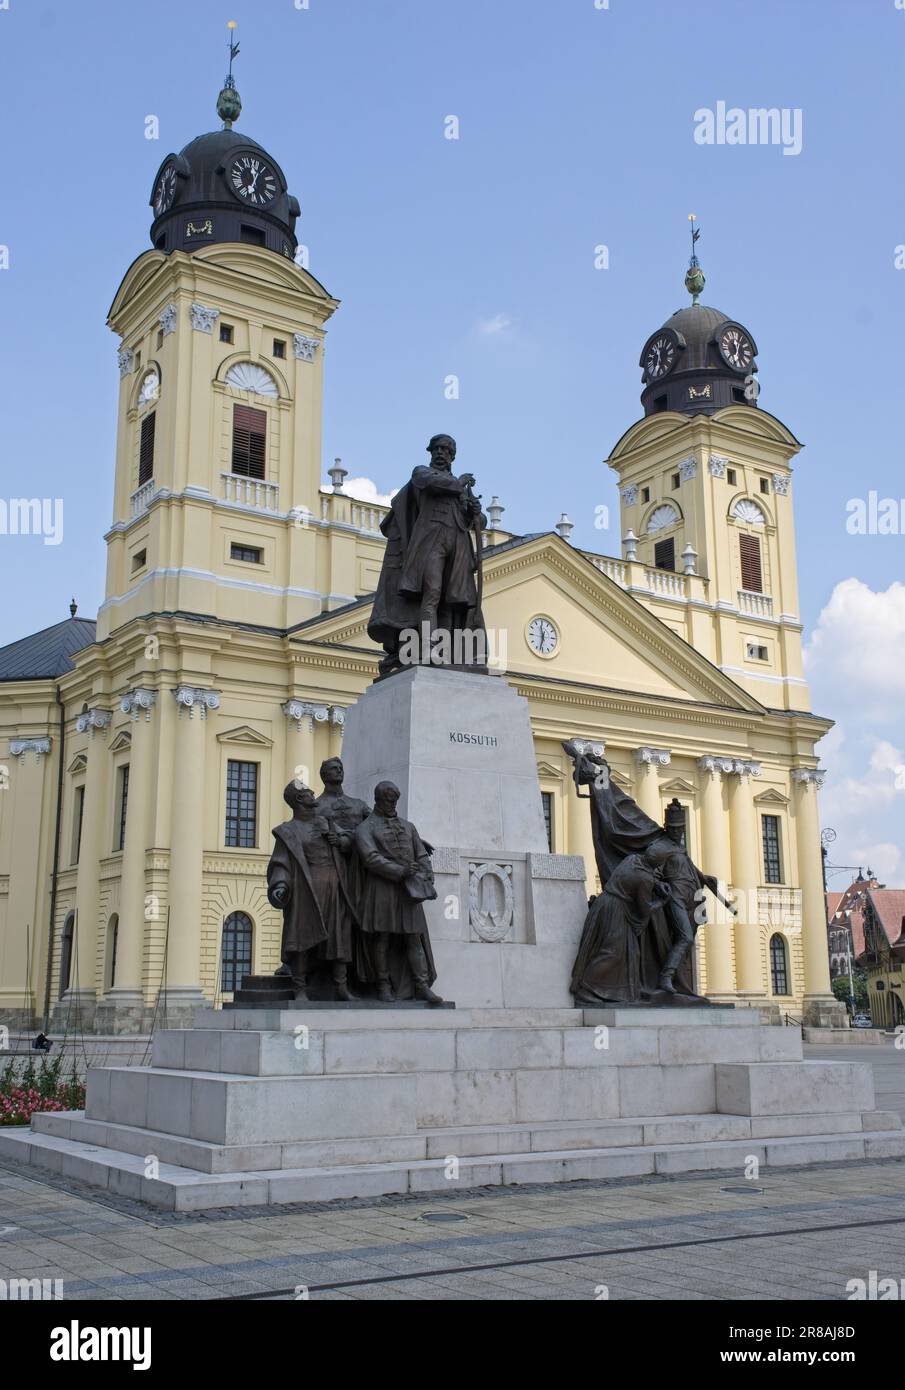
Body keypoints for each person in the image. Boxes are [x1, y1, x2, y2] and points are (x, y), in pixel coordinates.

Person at [367, 434, 486, 674]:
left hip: (459, 544)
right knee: (431, 594)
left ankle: (447, 651)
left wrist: (475, 511)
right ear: (431, 452)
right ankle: (428, 648)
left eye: (446, 450)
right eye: (437, 449)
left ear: (452, 456)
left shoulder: (458, 488)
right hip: (431, 541)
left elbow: (477, 522)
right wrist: (460, 483)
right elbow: (432, 483)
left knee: (452, 601)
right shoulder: (423, 474)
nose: (441, 453)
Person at [266, 781, 359, 1001]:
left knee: (339, 938)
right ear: (299, 799)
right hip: (306, 890)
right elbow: (280, 863)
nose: (313, 794)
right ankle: (299, 988)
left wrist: (342, 841)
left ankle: (341, 987)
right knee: (301, 938)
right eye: (308, 793)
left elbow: (350, 839)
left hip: (335, 887)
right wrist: (280, 885)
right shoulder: (287, 831)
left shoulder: (326, 823)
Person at [354, 781, 443, 1004]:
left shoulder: (408, 826)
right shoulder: (365, 828)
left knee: (414, 938)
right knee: (381, 939)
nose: (392, 805)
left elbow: (421, 854)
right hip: (381, 889)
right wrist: (400, 870)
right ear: (378, 800)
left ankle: (421, 985)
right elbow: (370, 858)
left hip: (408, 892)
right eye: (388, 800)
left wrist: (427, 875)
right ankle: (383, 985)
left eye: (395, 800)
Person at [570, 847, 671, 1005]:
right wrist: (661, 902)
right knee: (612, 952)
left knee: (631, 952)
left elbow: (637, 876)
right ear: (657, 864)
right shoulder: (645, 879)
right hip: (615, 910)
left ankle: (615, 993)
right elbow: (645, 909)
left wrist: (657, 884)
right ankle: (585, 989)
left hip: (605, 903)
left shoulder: (633, 859)